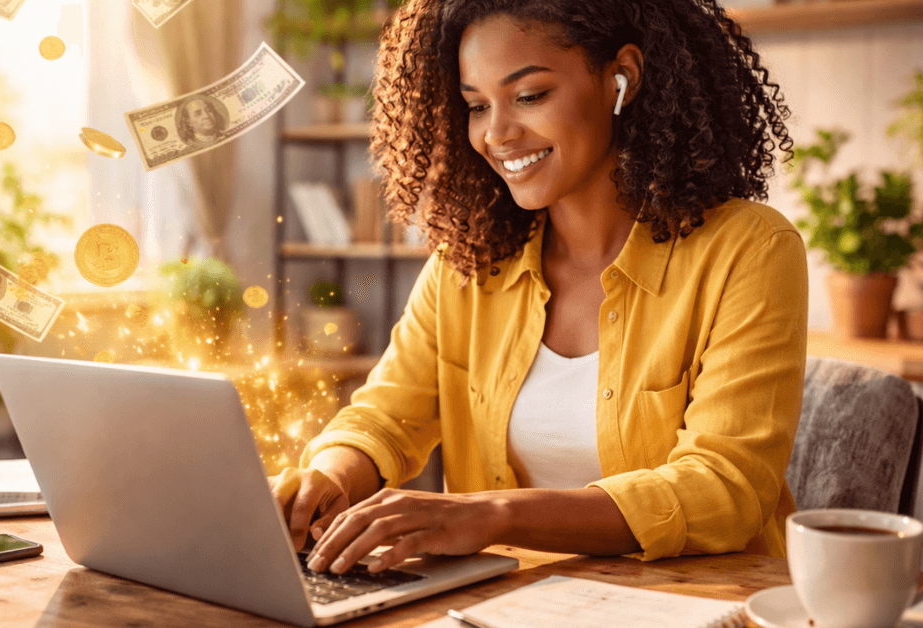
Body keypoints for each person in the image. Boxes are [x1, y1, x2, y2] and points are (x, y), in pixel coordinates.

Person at [271, 0, 807, 577]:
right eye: (476, 106)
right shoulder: (468, 265)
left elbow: (723, 490)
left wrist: (494, 515)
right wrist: (327, 476)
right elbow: (384, 418)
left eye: (529, 96)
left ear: (620, 78)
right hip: (501, 610)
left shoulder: (750, 249)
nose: (496, 134)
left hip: (692, 605)